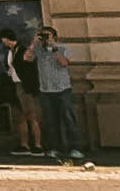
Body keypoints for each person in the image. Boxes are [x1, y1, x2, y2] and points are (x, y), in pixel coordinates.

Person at [34, 24, 85, 162]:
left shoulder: (62, 48)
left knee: (68, 118)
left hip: (62, 89)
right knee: (50, 120)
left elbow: (64, 63)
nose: (45, 39)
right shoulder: (38, 50)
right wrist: (33, 43)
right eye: (42, 36)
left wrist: (54, 48)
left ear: (54, 37)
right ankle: (54, 148)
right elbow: (26, 58)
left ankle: (75, 148)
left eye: (47, 36)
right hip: (45, 90)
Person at [0, 27, 44, 155]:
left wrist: (34, 43)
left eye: (3, 39)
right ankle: (24, 145)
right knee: (20, 116)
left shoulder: (20, 49)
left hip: (24, 85)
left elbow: (29, 58)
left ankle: (38, 145)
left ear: (6, 38)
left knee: (31, 115)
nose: (2, 42)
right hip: (14, 85)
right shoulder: (10, 52)